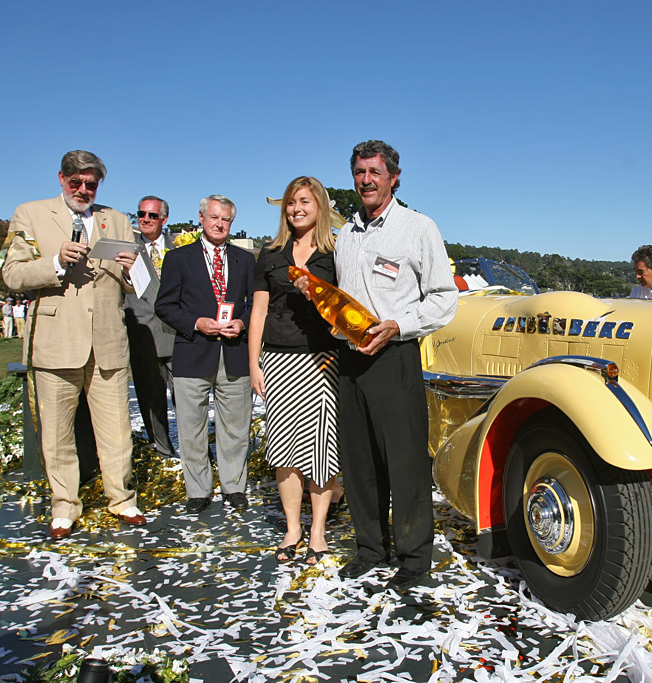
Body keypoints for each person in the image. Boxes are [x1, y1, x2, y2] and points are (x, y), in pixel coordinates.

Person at [328, 140, 458, 592]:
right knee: (359, 463)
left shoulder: (417, 228)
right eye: (359, 172)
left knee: (404, 464)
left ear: (393, 178)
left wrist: (398, 324)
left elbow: (444, 298)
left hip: (395, 355)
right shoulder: (347, 235)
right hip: (350, 360)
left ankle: (414, 557)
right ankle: (370, 550)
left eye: (374, 172)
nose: (366, 179)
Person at [1, 150, 145, 538]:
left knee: (116, 430)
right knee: (58, 432)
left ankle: (123, 499)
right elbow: (11, 275)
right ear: (61, 179)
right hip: (56, 340)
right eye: (75, 182)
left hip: (108, 342)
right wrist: (53, 262)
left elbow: (139, 284)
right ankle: (64, 506)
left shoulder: (115, 219)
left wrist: (135, 270)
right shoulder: (29, 214)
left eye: (91, 184)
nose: (83, 189)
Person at [249, 176, 341, 565]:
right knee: (285, 451)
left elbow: (346, 310)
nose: (296, 208)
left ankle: (317, 530)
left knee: (322, 450)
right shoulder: (270, 253)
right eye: (291, 202)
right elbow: (258, 311)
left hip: (324, 360)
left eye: (304, 201)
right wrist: (254, 363)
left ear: (319, 206)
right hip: (279, 359)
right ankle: (293, 528)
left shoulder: (336, 253)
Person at [155, 195, 255, 513]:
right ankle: (197, 491)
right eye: (213, 217)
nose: (219, 224)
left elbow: (257, 305)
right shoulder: (178, 258)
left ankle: (233, 487)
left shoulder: (246, 259)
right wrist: (196, 323)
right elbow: (164, 306)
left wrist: (243, 322)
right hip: (192, 352)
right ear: (201, 218)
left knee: (236, 427)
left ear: (231, 223)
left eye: (225, 219)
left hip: (234, 352)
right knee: (191, 426)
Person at [124, 195, 177, 458]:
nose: (145, 219)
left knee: (188, 400)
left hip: (178, 335)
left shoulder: (180, 247)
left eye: (152, 215)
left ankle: (196, 454)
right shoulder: (125, 248)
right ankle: (163, 452)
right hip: (142, 334)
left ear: (164, 219)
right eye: (141, 214)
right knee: (151, 399)